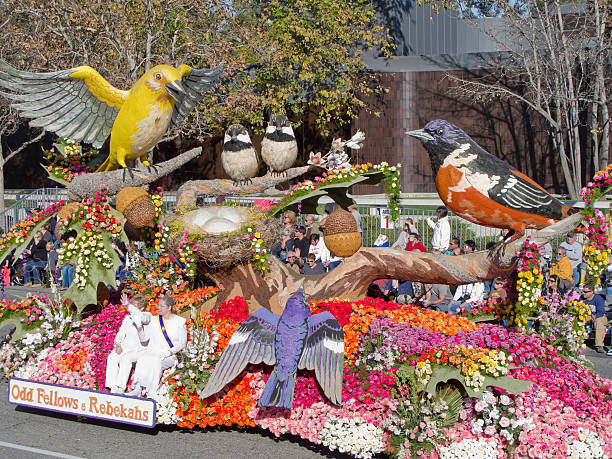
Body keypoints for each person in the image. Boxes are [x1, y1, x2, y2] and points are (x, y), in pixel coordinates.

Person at [130, 295, 187, 397]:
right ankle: (138, 387)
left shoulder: (179, 321)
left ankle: (152, 392)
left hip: (170, 354)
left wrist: (169, 352)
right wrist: (139, 328)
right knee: (142, 359)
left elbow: (182, 342)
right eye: (158, 305)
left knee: (156, 363)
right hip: (153, 351)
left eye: (161, 306)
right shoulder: (154, 320)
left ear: (169, 307)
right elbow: (144, 339)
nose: (158, 308)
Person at [105, 294, 151, 393]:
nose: (131, 308)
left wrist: (127, 305)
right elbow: (121, 333)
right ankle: (113, 387)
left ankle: (120, 387)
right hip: (124, 347)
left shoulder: (147, 316)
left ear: (142, 308)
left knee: (125, 359)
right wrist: (117, 344)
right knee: (112, 358)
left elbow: (141, 317)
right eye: (132, 305)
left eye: (134, 306)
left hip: (138, 349)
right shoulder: (127, 318)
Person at [581, 284, 608, 353]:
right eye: (583, 291)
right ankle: (577, 341)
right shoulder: (582, 298)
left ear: (591, 292)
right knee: (579, 319)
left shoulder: (598, 298)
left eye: (585, 292)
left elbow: (601, 312)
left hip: (600, 316)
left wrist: (595, 316)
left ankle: (599, 345)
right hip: (587, 316)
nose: (583, 293)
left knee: (598, 321)